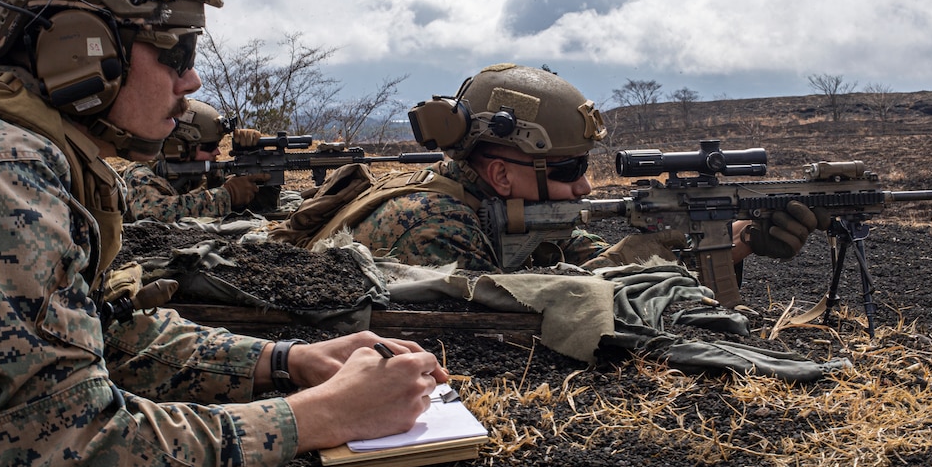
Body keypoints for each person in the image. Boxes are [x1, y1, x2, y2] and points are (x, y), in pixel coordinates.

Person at [0, 0, 445, 467]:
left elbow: (107, 337)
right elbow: (63, 444)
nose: (193, 81)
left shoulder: (16, 146)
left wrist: (288, 361)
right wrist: (323, 415)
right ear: (81, 52)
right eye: (176, 52)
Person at [278, 63, 826, 277]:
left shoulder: (515, 208)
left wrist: (734, 242)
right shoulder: (429, 227)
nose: (585, 185)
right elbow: (509, 327)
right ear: (499, 174)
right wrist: (640, 256)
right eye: (568, 168)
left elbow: (584, 262)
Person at [111, 98, 270, 222]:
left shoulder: (201, 169)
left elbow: (250, 200)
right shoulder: (139, 174)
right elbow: (154, 215)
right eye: (209, 146)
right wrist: (226, 195)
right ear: (178, 147)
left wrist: (254, 158)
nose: (218, 151)